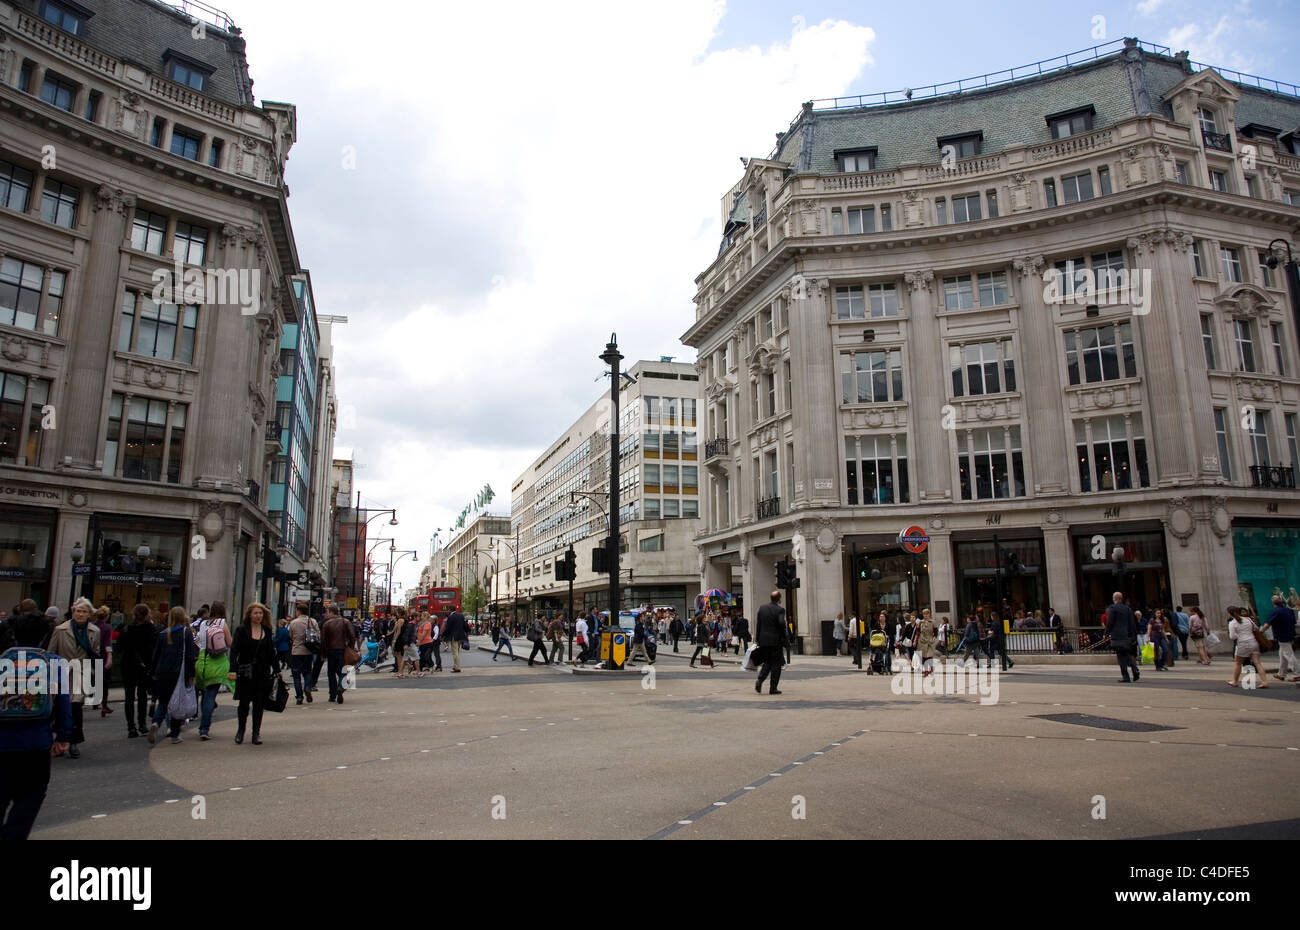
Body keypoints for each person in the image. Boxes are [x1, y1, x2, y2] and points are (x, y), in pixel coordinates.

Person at [0, 611, 73, 840]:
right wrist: (63, 736)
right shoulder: (54, 663)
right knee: (30, 797)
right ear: (43, 636)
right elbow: (63, 704)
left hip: (2, 742)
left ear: (15, 634)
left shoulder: (3, 660)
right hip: (37, 742)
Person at [46, 598, 102, 758]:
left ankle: (74, 742)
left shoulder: (94, 631)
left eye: (84, 611)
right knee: (60, 708)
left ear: (89, 614)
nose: (80, 614)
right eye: (78, 611)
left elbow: (95, 653)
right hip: (62, 673)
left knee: (76, 707)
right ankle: (60, 738)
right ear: (73, 612)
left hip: (81, 673)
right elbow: (51, 652)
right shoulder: (60, 630)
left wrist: (93, 675)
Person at [227, 602, 282, 744]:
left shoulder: (267, 630)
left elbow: (271, 652)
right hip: (245, 671)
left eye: (260, 613)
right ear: (250, 615)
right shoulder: (242, 630)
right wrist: (232, 669)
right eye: (255, 613)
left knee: (259, 704)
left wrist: (277, 670)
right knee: (244, 703)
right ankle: (240, 731)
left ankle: (256, 733)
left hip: (262, 672)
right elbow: (234, 651)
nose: (258, 616)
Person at [148, 606, 199, 745]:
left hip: (162, 672)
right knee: (177, 703)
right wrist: (191, 674)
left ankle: (156, 723)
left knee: (163, 702)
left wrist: (153, 672)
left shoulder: (163, 634)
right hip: (178, 674)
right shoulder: (186, 633)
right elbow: (190, 655)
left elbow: (156, 655)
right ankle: (174, 734)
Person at [116, 604, 155, 739]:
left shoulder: (127, 628)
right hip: (144, 666)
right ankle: (142, 724)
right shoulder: (150, 629)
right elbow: (154, 648)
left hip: (128, 664)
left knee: (129, 696)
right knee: (142, 695)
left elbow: (119, 647)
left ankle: (131, 727)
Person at [195, 601, 232, 740]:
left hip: (202, 661)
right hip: (217, 662)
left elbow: (199, 641)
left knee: (205, 694)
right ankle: (204, 728)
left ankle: (203, 722)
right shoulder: (222, 623)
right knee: (211, 696)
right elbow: (229, 643)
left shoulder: (203, 624)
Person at [754, 591, 789, 695]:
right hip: (775, 641)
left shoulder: (762, 608)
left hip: (764, 640)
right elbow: (782, 624)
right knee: (776, 664)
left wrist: (757, 639)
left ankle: (760, 680)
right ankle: (773, 688)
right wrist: (786, 639)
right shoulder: (780, 610)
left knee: (767, 662)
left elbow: (758, 624)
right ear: (779, 599)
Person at [321, 606, 357, 702]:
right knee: (343, 671)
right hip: (342, 649)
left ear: (331, 612)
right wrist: (350, 646)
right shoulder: (345, 622)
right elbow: (352, 635)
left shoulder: (326, 624)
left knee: (331, 673)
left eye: (328, 612)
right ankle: (340, 688)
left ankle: (332, 695)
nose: (327, 614)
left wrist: (323, 653)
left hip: (330, 650)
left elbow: (323, 640)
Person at [1226, 606, 1268, 689]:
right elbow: (1255, 628)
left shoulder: (1232, 623)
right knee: (1258, 663)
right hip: (1253, 642)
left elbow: (1232, 637)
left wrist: (1240, 634)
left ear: (1230, 614)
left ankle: (1235, 681)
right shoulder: (1248, 619)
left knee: (1238, 663)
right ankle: (1264, 682)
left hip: (1243, 643)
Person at [1105, 592, 1140, 684]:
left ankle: (1126, 676)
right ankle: (1134, 668)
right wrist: (1133, 636)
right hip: (1126, 636)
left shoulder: (1113, 608)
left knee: (1121, 656)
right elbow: (1132, 623)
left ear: (1115, 598)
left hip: (1117, 636)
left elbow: (1110, 623)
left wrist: (1106, 634)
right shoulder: (1127, 609)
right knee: (1126, 654)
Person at [1262, 594, 1298, 682]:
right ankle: (1281, 674)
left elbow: (1268, 624)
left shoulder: (1276, 611)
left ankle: (1298, 673)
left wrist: (1260, 632)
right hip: (1290, 634)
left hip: (1282, 635)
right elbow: (1294, 622)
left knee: (1288, 654)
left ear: (1273, 603)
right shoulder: (1288, 610)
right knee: (1282, 654)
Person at [288, 605, 319, 703]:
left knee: (296, 675)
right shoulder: (312, 621)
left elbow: (291, 636)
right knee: (307, 672)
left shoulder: (293, 622)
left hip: (296, 651)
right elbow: (318, 635)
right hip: (308, 651)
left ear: (299, 611)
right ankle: (307, 687)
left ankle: (299, 696)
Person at [92, 606, 114, 717]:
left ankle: (96, 701)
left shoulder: (92, 626)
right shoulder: (107, 627)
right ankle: (104, 705)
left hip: (92, 655)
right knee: (104, 682)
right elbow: (107, 643)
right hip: (103, 656)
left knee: (95, 679)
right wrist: (109, 657)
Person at [444, 607, 467, 672]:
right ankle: (455, 665)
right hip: (460, 636)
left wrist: (443, 635)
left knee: (455, 652)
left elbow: (448, 628)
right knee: (457, 651)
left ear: (450, 610)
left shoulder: (450, 617)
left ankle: (457, 667)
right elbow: (465, 625)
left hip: (454, 637)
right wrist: (467, 632)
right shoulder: (461, 615)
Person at [915, 608, 937, 676]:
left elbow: (935, 631)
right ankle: (926, 670)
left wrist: (934, 638)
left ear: (929, 614)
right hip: (922, 641)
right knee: (923, 656)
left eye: (927, 614)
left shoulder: (933, 622)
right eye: (924, 614)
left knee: (929, 656)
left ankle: (930, 668)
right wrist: (915, 640)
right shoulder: (920, 622)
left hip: (929, 640)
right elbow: (918, 632)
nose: (925, 615)